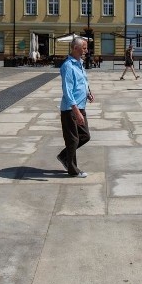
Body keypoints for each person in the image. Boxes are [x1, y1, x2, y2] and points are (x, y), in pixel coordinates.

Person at [57, 36, 94, 178]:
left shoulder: (80, 63)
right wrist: (76, 111)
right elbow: (67, 90)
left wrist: (88, 92)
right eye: (84, 47)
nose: (86, 50)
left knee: (85, 136)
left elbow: (83, 81)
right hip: (70, 108)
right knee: (73, 139)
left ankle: (63, 156)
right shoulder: (68, 66)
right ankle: (73, 170)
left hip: (81, 106)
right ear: (75, 48)